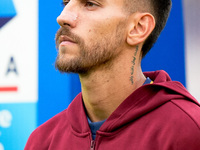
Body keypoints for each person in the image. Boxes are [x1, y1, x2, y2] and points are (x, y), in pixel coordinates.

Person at [25, 0, 200, 149]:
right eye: (66, 2)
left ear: (138, 28)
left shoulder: (188, 130)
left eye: (90, 4)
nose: (63, 17)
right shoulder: (42, 141)